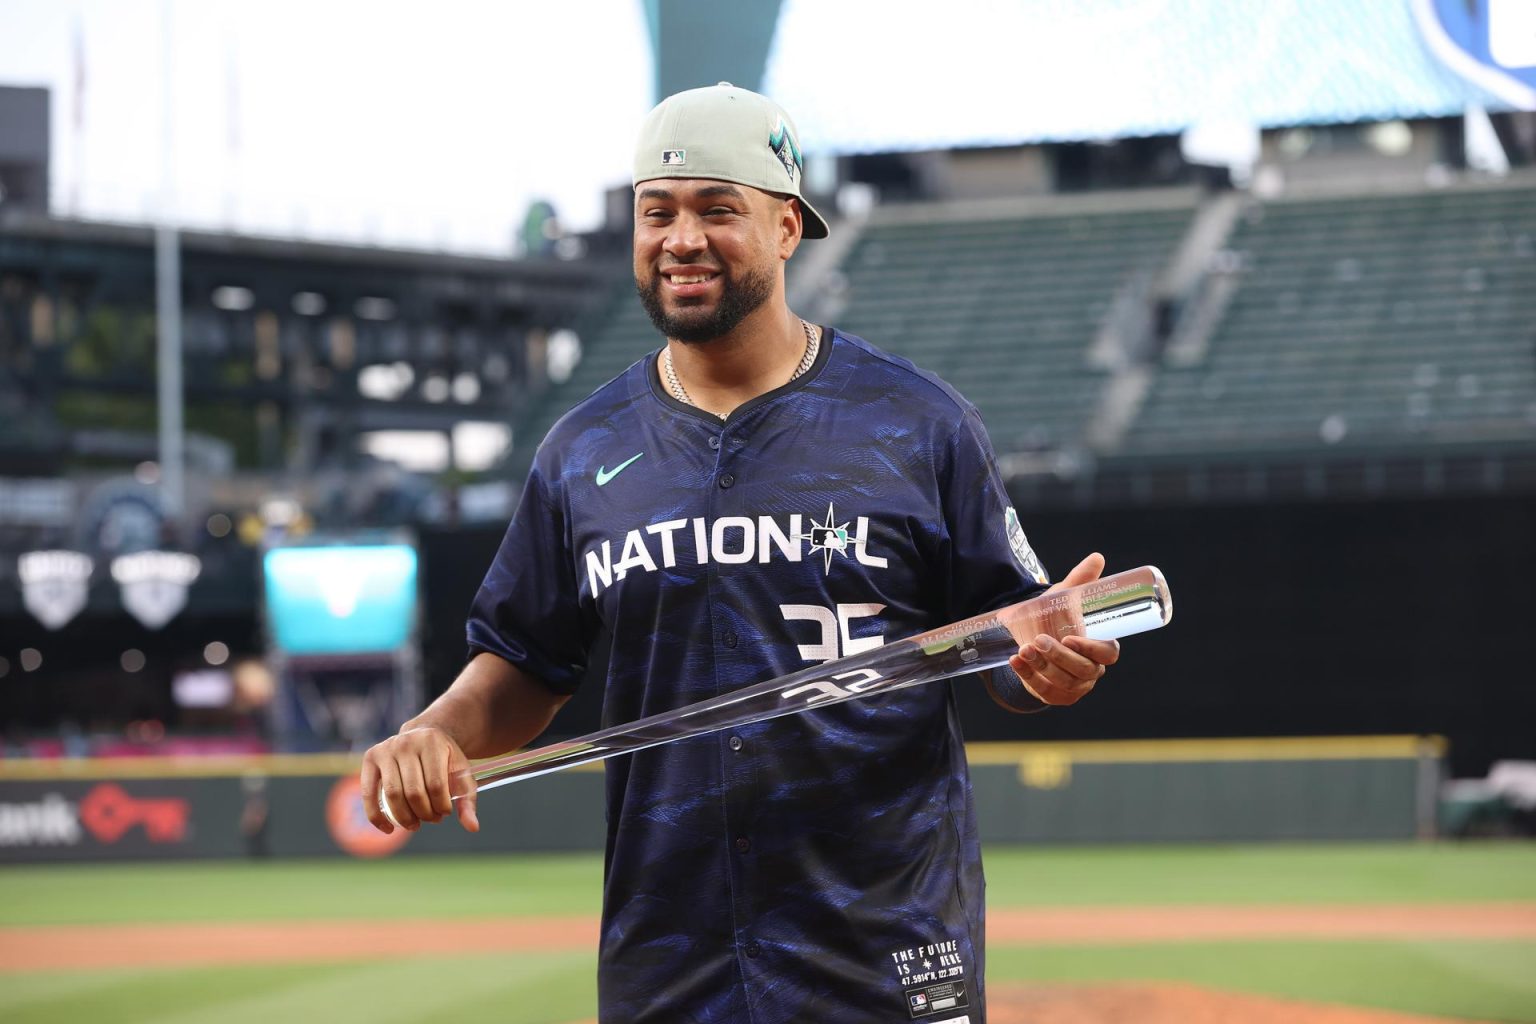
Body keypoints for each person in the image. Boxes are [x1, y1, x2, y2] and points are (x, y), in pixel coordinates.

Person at [361, 82, 1121, 1024]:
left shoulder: (916, 423)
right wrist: (435, 731)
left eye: (719, 208)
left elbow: (1008, 638)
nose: (682, 237)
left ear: (788, 227)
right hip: (669, 963)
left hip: (882, 951)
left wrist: (1046, 666)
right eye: (658, 211)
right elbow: (523, 659)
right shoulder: (583, 451)